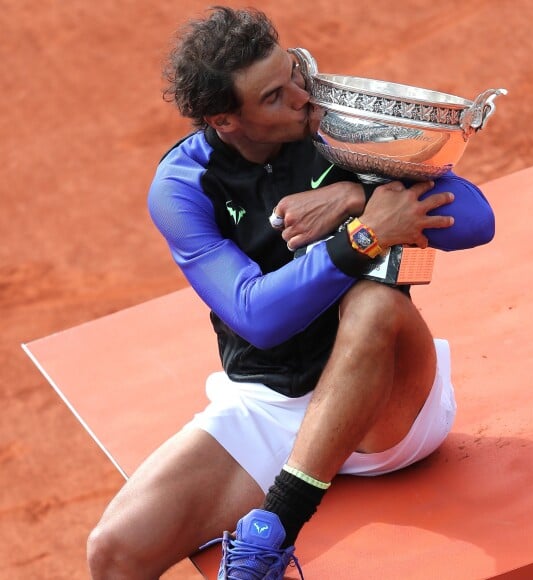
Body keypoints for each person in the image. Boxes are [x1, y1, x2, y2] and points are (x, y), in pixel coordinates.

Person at [87, 6, 495, 579]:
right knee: (113, 552)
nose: (303, 98)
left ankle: (274, 527)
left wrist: (354, 191)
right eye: (275, 97)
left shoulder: (337, 127)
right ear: (224, 119)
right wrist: (364, 237)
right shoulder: (183, 186)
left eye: (294, 75)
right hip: (270, 405)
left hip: (390, 409)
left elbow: (478, 221)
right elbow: (256, 316)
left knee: (376, 301)